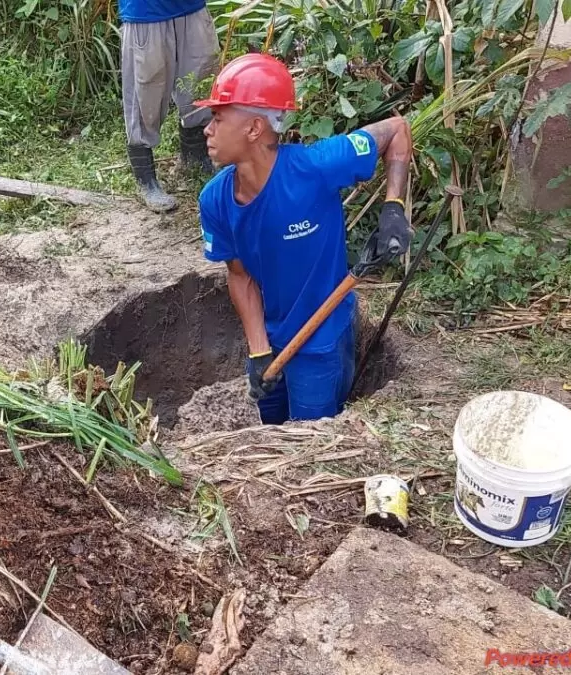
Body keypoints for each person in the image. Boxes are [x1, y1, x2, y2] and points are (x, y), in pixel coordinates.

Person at [194, 53, 413, 424]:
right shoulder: (215, 200)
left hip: (322, 342)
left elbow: (397, 129)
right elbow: (240, 276)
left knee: (308, 437)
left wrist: (394, 208)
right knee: (270, 428)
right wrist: (258, 351)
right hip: (273, 336)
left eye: (217, 118)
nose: (207, 130)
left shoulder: (315, 168)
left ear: (254, 128)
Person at [119, 0, 220, 213]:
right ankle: (146, 180)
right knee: (145, 96)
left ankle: (195, 158)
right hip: (146, 13)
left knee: (200, 83)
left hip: (192, 9)